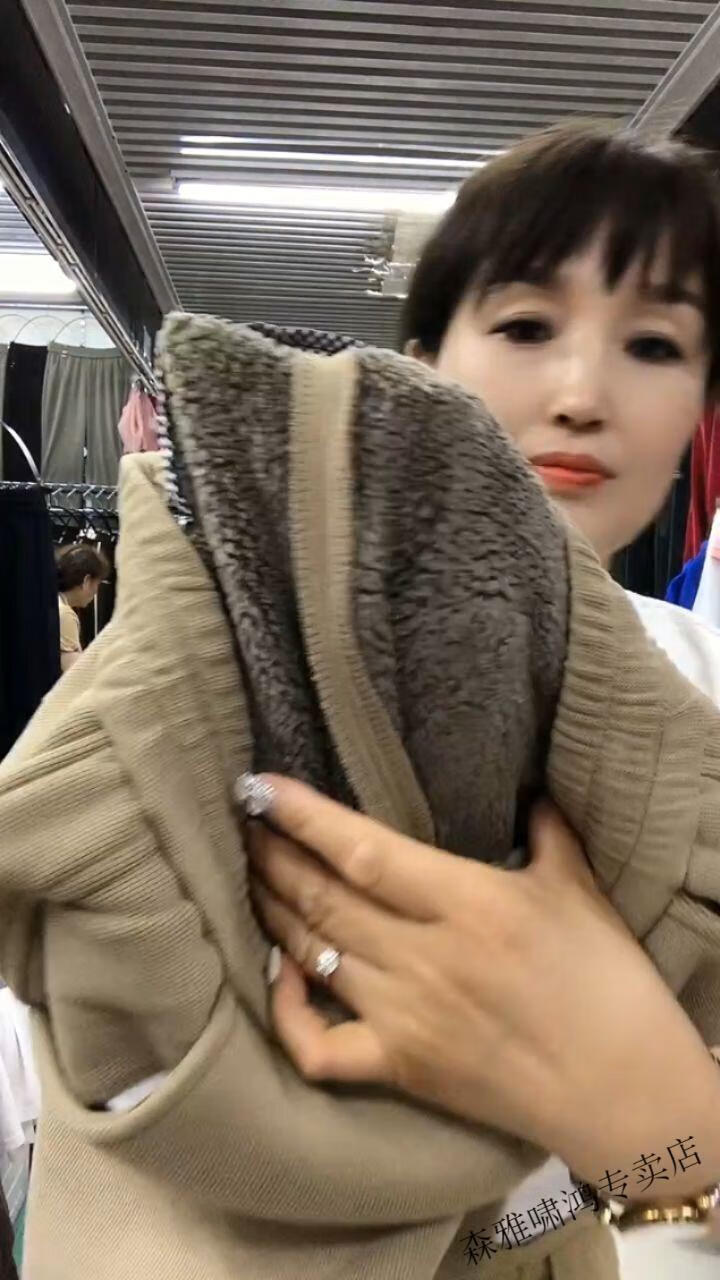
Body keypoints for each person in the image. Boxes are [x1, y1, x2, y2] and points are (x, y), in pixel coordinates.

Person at [245, 123, 720, 1272]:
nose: (583, 394)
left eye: (653, 344)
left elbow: (691, 1223)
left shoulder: (702, 695)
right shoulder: (249, 659)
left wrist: (655, 1126)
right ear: (419, 368)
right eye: (525, 326)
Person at [56, 543, 107, 673]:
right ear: (87, 581)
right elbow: (75, 673)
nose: (96, 591)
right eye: (98, 583)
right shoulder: (65, 615)